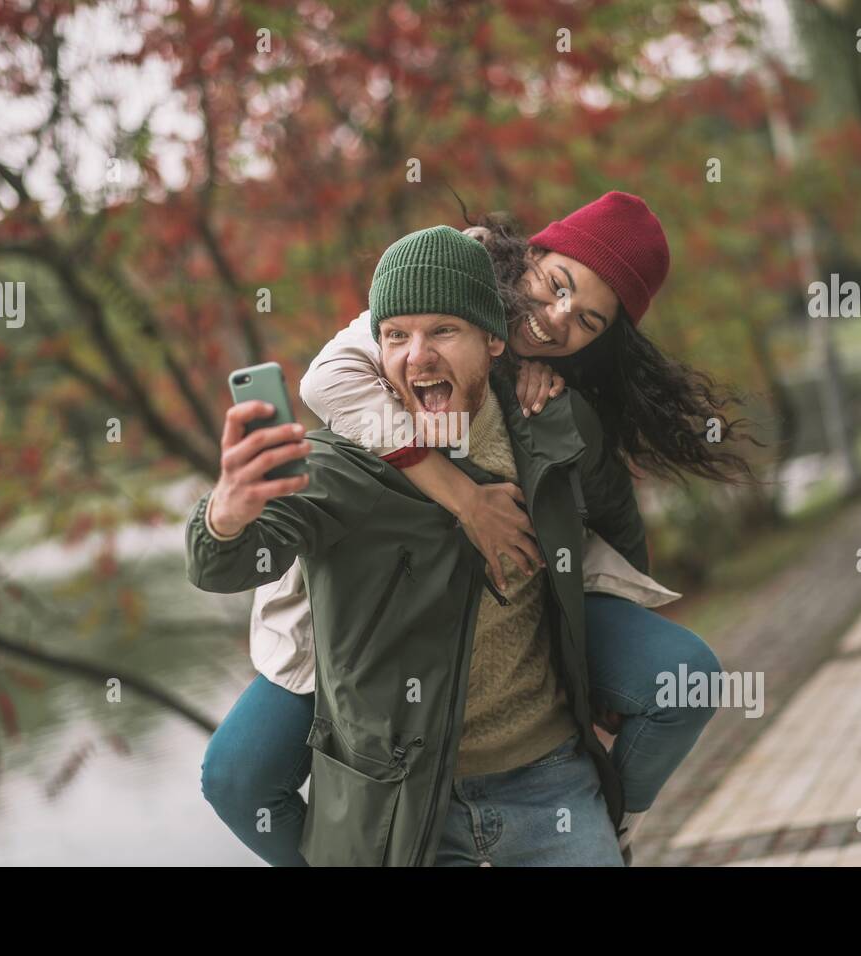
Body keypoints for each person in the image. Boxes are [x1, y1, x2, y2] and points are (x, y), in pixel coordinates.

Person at [202, 194, 757, 865]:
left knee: (682, 676)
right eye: (556, 286)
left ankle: (611, 821)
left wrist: (598, 646)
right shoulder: (441, 283)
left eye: (585, 320)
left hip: (520, 687)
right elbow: (327, 381)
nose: (555, 321)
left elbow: (613, 516)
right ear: (528, 256)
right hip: (351, 629)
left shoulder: (554, 402)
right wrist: (464, 498)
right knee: (240, 775)